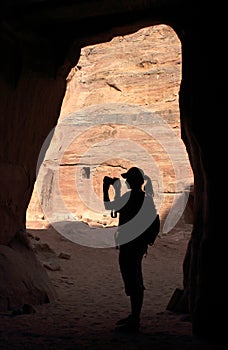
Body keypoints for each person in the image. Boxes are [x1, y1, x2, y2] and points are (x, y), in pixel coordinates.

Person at [103, 166, 158, 333]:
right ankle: (134, 316)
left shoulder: (131, 197)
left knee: (132, 279)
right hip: (138, 245)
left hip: (130, 245)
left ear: (132, 181)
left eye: (128, 179)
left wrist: (106, 189)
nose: (125, 181)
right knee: (134, 276)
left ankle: (135, 319)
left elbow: (109, 206)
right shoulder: (146, 199)